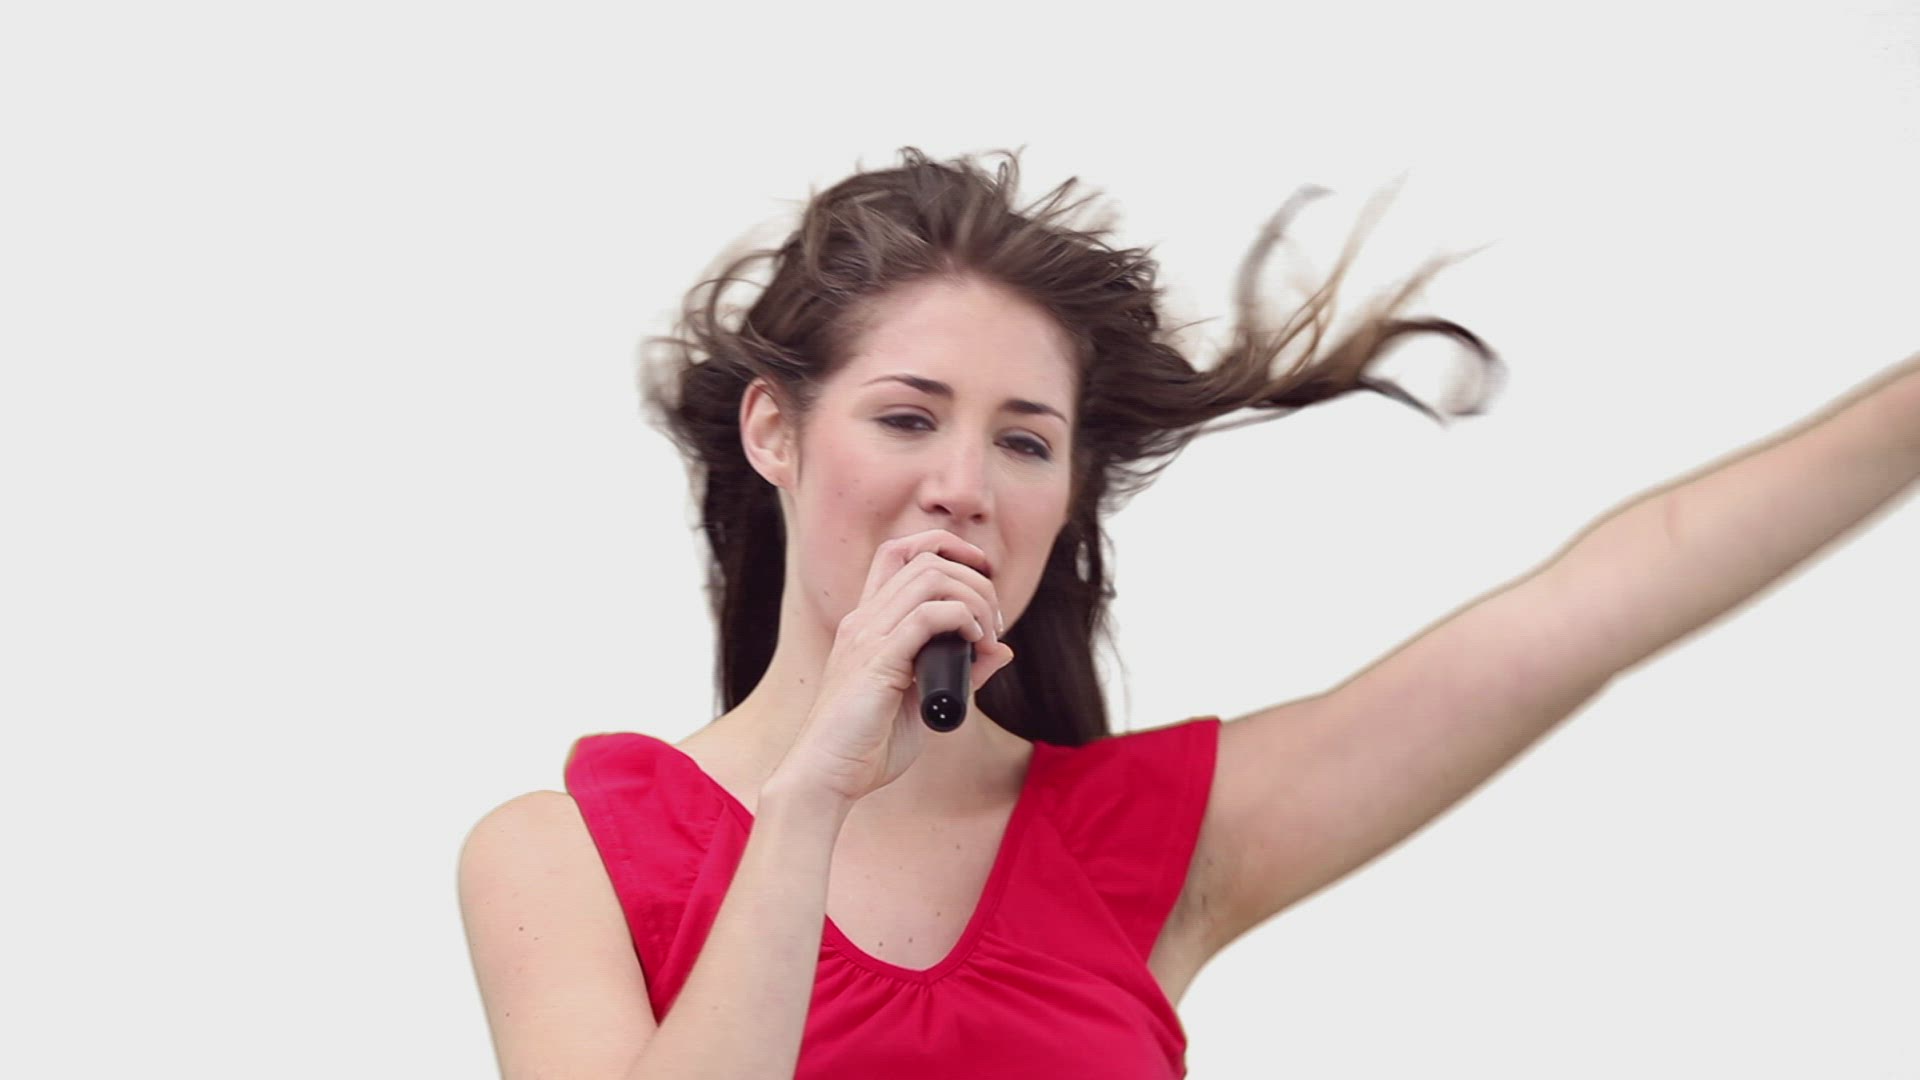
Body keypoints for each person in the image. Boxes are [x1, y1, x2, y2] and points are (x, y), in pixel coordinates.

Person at [455, 147, 1920, 1079]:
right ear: (777, 431)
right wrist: (811, 801)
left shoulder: (1145, 841)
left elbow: (1600, 600)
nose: (963, 486)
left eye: (1025, 441)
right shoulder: (568, 854)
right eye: (907, 418)